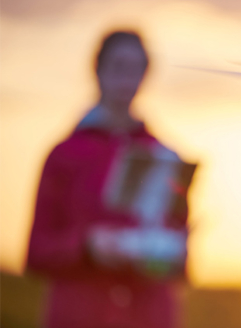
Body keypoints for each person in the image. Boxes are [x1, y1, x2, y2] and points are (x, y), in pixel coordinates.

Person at [27, 31, 195, 328]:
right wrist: (87, 246)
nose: (126, 80)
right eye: (118, 67)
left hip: (148, 316)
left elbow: (178, 261)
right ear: (98, 70)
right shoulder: (65, 154)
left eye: (135, 70)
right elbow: (37, 250)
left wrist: (171, 248)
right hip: (80, 315)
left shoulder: (165, 157)